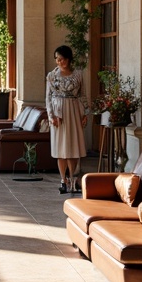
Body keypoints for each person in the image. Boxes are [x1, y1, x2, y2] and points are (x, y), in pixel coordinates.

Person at [47, 45, 87, 195]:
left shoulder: (78, 75)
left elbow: (83, 95)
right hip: (58, 113)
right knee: (60, 149)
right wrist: (51, 116)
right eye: (57, 59)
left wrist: (85, 113)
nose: (59, 62)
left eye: (62, 59)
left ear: (68, 59)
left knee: (73, 148)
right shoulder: (52, 76)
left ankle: (72, 179)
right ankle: (63, 180)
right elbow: (48, 97)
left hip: (74, 111)